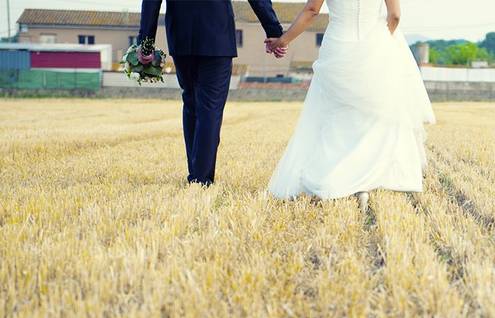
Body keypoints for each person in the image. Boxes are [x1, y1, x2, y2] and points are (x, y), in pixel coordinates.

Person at [265, 0, 435, 209]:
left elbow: (311, 11)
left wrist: (283, 40)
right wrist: (381, 42)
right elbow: (395, 16)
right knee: (371, 116)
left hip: (338, 46)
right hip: (375, 47)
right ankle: (364, 181)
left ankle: (338, 178)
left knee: (335, 117)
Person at [138, 0, 286, 186]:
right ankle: (200, 178)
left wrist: (145, 43)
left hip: (181, 36)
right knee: (210, 108)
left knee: (191, 103)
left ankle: (196, 173)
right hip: (217, 37)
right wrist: (273, 30)